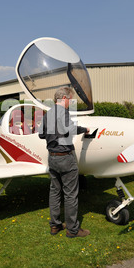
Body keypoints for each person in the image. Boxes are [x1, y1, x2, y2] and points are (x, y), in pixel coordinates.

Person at [38, 86, 90, 238]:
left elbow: (41, 135)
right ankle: (72, 230)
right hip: (66, 157)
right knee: (70, 194)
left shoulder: (48, 114)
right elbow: (71, 129)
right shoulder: (64, 113)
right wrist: (84, 129)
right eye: (71, 99)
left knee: (54, 192)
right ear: (65, 98)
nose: (70, 103)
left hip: (52, 157)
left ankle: (55, 226)